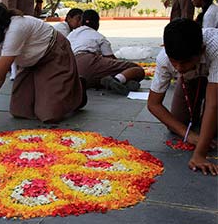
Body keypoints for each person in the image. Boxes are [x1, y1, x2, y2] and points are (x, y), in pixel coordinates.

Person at [147, 18, 217, 175]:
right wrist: (188, 134)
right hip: (193, 78)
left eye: (185, 62)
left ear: (202, 50)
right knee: (178, 121)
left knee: (214, 125)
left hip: (215, 78)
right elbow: (153, 104)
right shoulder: (164, 59)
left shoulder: (215, 48)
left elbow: (214, 104)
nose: (178, 68)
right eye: (174, 62)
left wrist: (200, 154)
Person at [67, 10, 145, 95]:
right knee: (137, 70)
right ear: (97, 24)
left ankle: (119, 81)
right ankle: (117, 80)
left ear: (81, 22)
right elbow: (110, 58)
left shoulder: (71, 34)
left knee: (99, 73)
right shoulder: (99, 36)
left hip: (71, 71)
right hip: (88, 62)